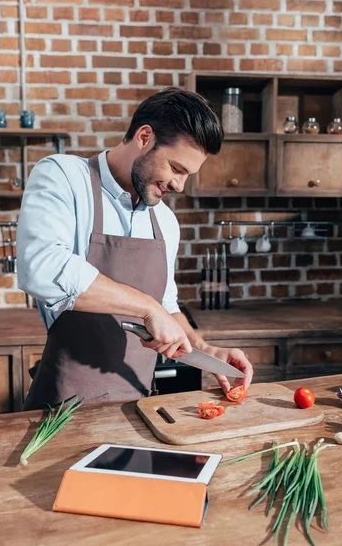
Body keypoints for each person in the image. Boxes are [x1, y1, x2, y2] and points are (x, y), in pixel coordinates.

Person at [17, 88, 253, 411]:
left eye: (187, 176)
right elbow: (40, 267)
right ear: (144, 137)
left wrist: (206, 351)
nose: (179, 186)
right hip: (60, 413)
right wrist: (147, 307)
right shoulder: (64, 178)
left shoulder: (166, 222)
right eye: (176, 168)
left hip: (137, 413)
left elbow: (167, 306)